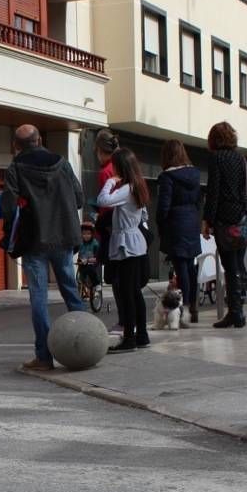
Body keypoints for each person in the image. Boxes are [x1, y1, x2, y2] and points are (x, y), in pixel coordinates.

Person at [0, 124, 86, 372]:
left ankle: (44, 357)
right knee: (70, 290)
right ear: (39, 140)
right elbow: (78, 197)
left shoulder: (15, 168)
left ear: (16, 145)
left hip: (34, 240)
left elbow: (9, 206)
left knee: (38, 297)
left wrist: (11, 234)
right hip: (64, 236)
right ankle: (84, 344)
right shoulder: (61, 162)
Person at [97, 148, 151, 352]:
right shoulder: (139, 186)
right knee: (135, 292)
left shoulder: (127, 188)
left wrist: (110, 181)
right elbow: (144, 216)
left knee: (127, 293)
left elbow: (103, 200)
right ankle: (142, 335)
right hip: (136, 243)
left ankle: (129, 337)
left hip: (126, 245)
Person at [202, 121, 247, 329]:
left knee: (229, 268)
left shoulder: (216, 159)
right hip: (242, 218)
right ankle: (238, 307)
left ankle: (235, 313)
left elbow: (213, 192)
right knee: (238, 265)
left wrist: (207, 220)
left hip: (224, 219)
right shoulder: (242, 159)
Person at [156, 139, 203, 323]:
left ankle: (182, 309)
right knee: (190, 266)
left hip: (176, 224)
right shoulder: (194, 174)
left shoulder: (168, 177)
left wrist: (160, 222)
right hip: (192, 221)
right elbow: (199, 201)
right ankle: (193, 306)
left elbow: (163, 206)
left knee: (180, 266)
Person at [92, 128, 124, 334]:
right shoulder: (123, 166)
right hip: (127, 228)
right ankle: (127, 320)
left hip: (111, 228)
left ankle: (123, 321)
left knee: (116, 278)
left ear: (99, 150)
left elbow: (106, 203)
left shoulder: (106, 172)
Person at [77, 220, 101, 291]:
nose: (86, 236)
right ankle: (81, 285)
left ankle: (96, 284)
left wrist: (95, 259)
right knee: (80, 275)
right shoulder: (80, 242)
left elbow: (97, 255)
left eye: (88, 234)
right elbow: (74, 250)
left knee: (91, 271)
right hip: (82, 262)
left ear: (92, 234)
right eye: (84, 234)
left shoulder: (95, 243)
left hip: (92, 263)